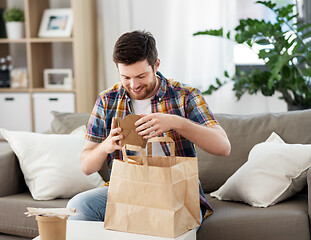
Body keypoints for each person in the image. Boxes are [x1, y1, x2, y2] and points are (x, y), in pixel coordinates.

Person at [67, 30, 231, 227]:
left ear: (156, 65)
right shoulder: (107, 100)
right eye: (125, 77)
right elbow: (87, 166)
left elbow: (223, 147)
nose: (134, 85)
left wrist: (175, 122)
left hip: (176, 191)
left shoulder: (185, 95)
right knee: (79, 205)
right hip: (127, 188)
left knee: (162, 222)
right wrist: (106, 146)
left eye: (141, 76)